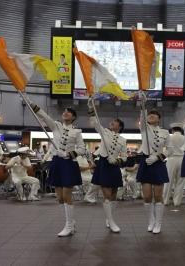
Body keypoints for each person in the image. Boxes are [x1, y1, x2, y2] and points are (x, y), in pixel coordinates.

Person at [24, 91, 86, 237]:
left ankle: (69, 226)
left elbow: (82, 149)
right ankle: (69, 221)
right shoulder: (56, 126)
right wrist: (29, 102)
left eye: (69, 112)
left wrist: (69, 154)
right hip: (57, 163)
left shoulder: (76, 132)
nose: (65, 113)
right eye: (64, 111)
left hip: (69, 163)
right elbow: (43, 115)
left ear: (74, 117)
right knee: (59, 197)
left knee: (66, 195)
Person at [136, 92, 173, 234]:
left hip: (158, 163)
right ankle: (151, 219)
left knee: (158, 195)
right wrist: (143, 103)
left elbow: (170, 150)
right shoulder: (145, 128)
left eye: (154, 114)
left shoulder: (165, 132)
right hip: (146, 162)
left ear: (159, 118)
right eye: (149, 114)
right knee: (146, 196)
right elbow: (142, 117)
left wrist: (158, 158)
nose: (151, 116)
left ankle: (158, 222)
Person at [88, 98, 127, 233]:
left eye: (115, 122)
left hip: (114, 166)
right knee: (106, 193)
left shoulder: (123, 140)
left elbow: (125, 157)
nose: (112, 123)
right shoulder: (104, 132)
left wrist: (117, 161)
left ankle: (109, 217)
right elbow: (95, 122)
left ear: (120, 126)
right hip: (104, 164)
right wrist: (91, 109)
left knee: (114, 194)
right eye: (111, 122)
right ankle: (111, 220)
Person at [163, 123, 185, 207]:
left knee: (168, 180)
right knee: (180, 181)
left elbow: (165, 147)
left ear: (173, 130)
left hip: (172, 158)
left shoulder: (170, 137)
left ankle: (166, 200)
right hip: (182, 159)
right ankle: (177, 202)